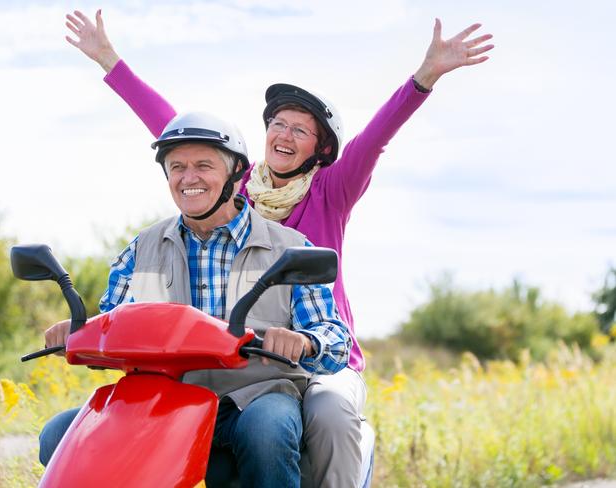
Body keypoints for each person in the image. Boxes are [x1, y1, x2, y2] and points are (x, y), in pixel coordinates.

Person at [64, 10, 493, 487]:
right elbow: (178, 134)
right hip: (229, 360)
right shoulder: (232, 186)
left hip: (317, 350)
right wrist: (109, 61)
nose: (284, 135)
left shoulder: (332, 190)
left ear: (320, 149)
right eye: (278, 124)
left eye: (300, 130)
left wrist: (424, 78)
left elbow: (375, 139)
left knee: (326, 413)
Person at [38, 112, 351, 488]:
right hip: (162, 398)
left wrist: (305, 340)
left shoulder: (289, 247)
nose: (189, 178)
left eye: (204, 165)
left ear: (237, 173)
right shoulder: (141, 248)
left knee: (268, 430)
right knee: (56, 435)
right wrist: (79, 333)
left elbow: (334, 339)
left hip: (255, 394)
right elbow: (112, 326)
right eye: (177, 167)